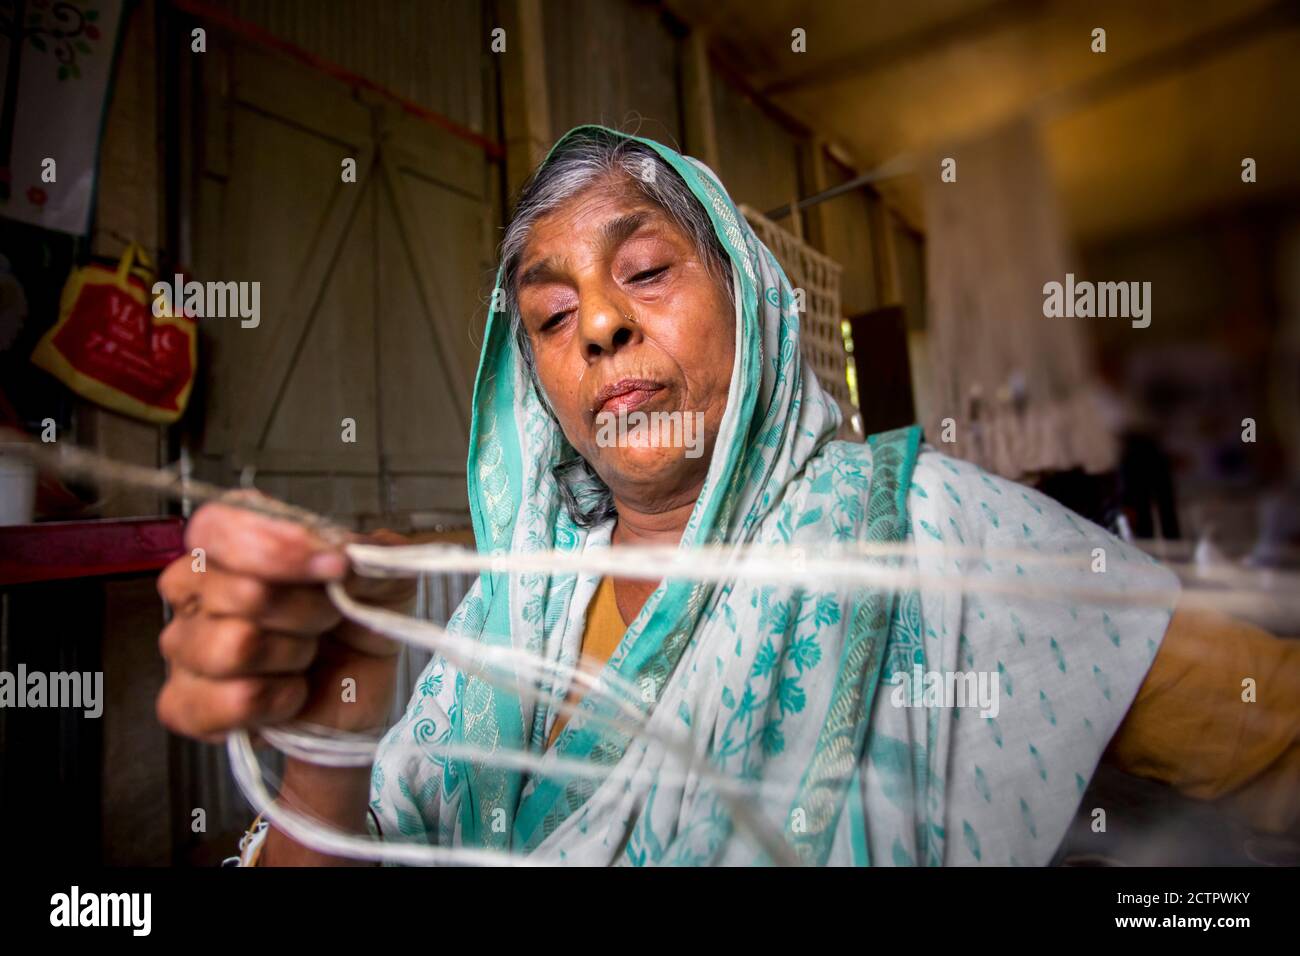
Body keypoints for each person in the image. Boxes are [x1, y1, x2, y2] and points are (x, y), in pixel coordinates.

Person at [156, 127, 1299, 866]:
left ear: (749, 302)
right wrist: (329, 745)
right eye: (552, 317)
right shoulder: (507, 623)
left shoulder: (929, 537)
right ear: (535, 386)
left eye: (646, 270)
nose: (599, 323)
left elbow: (1264, 726)